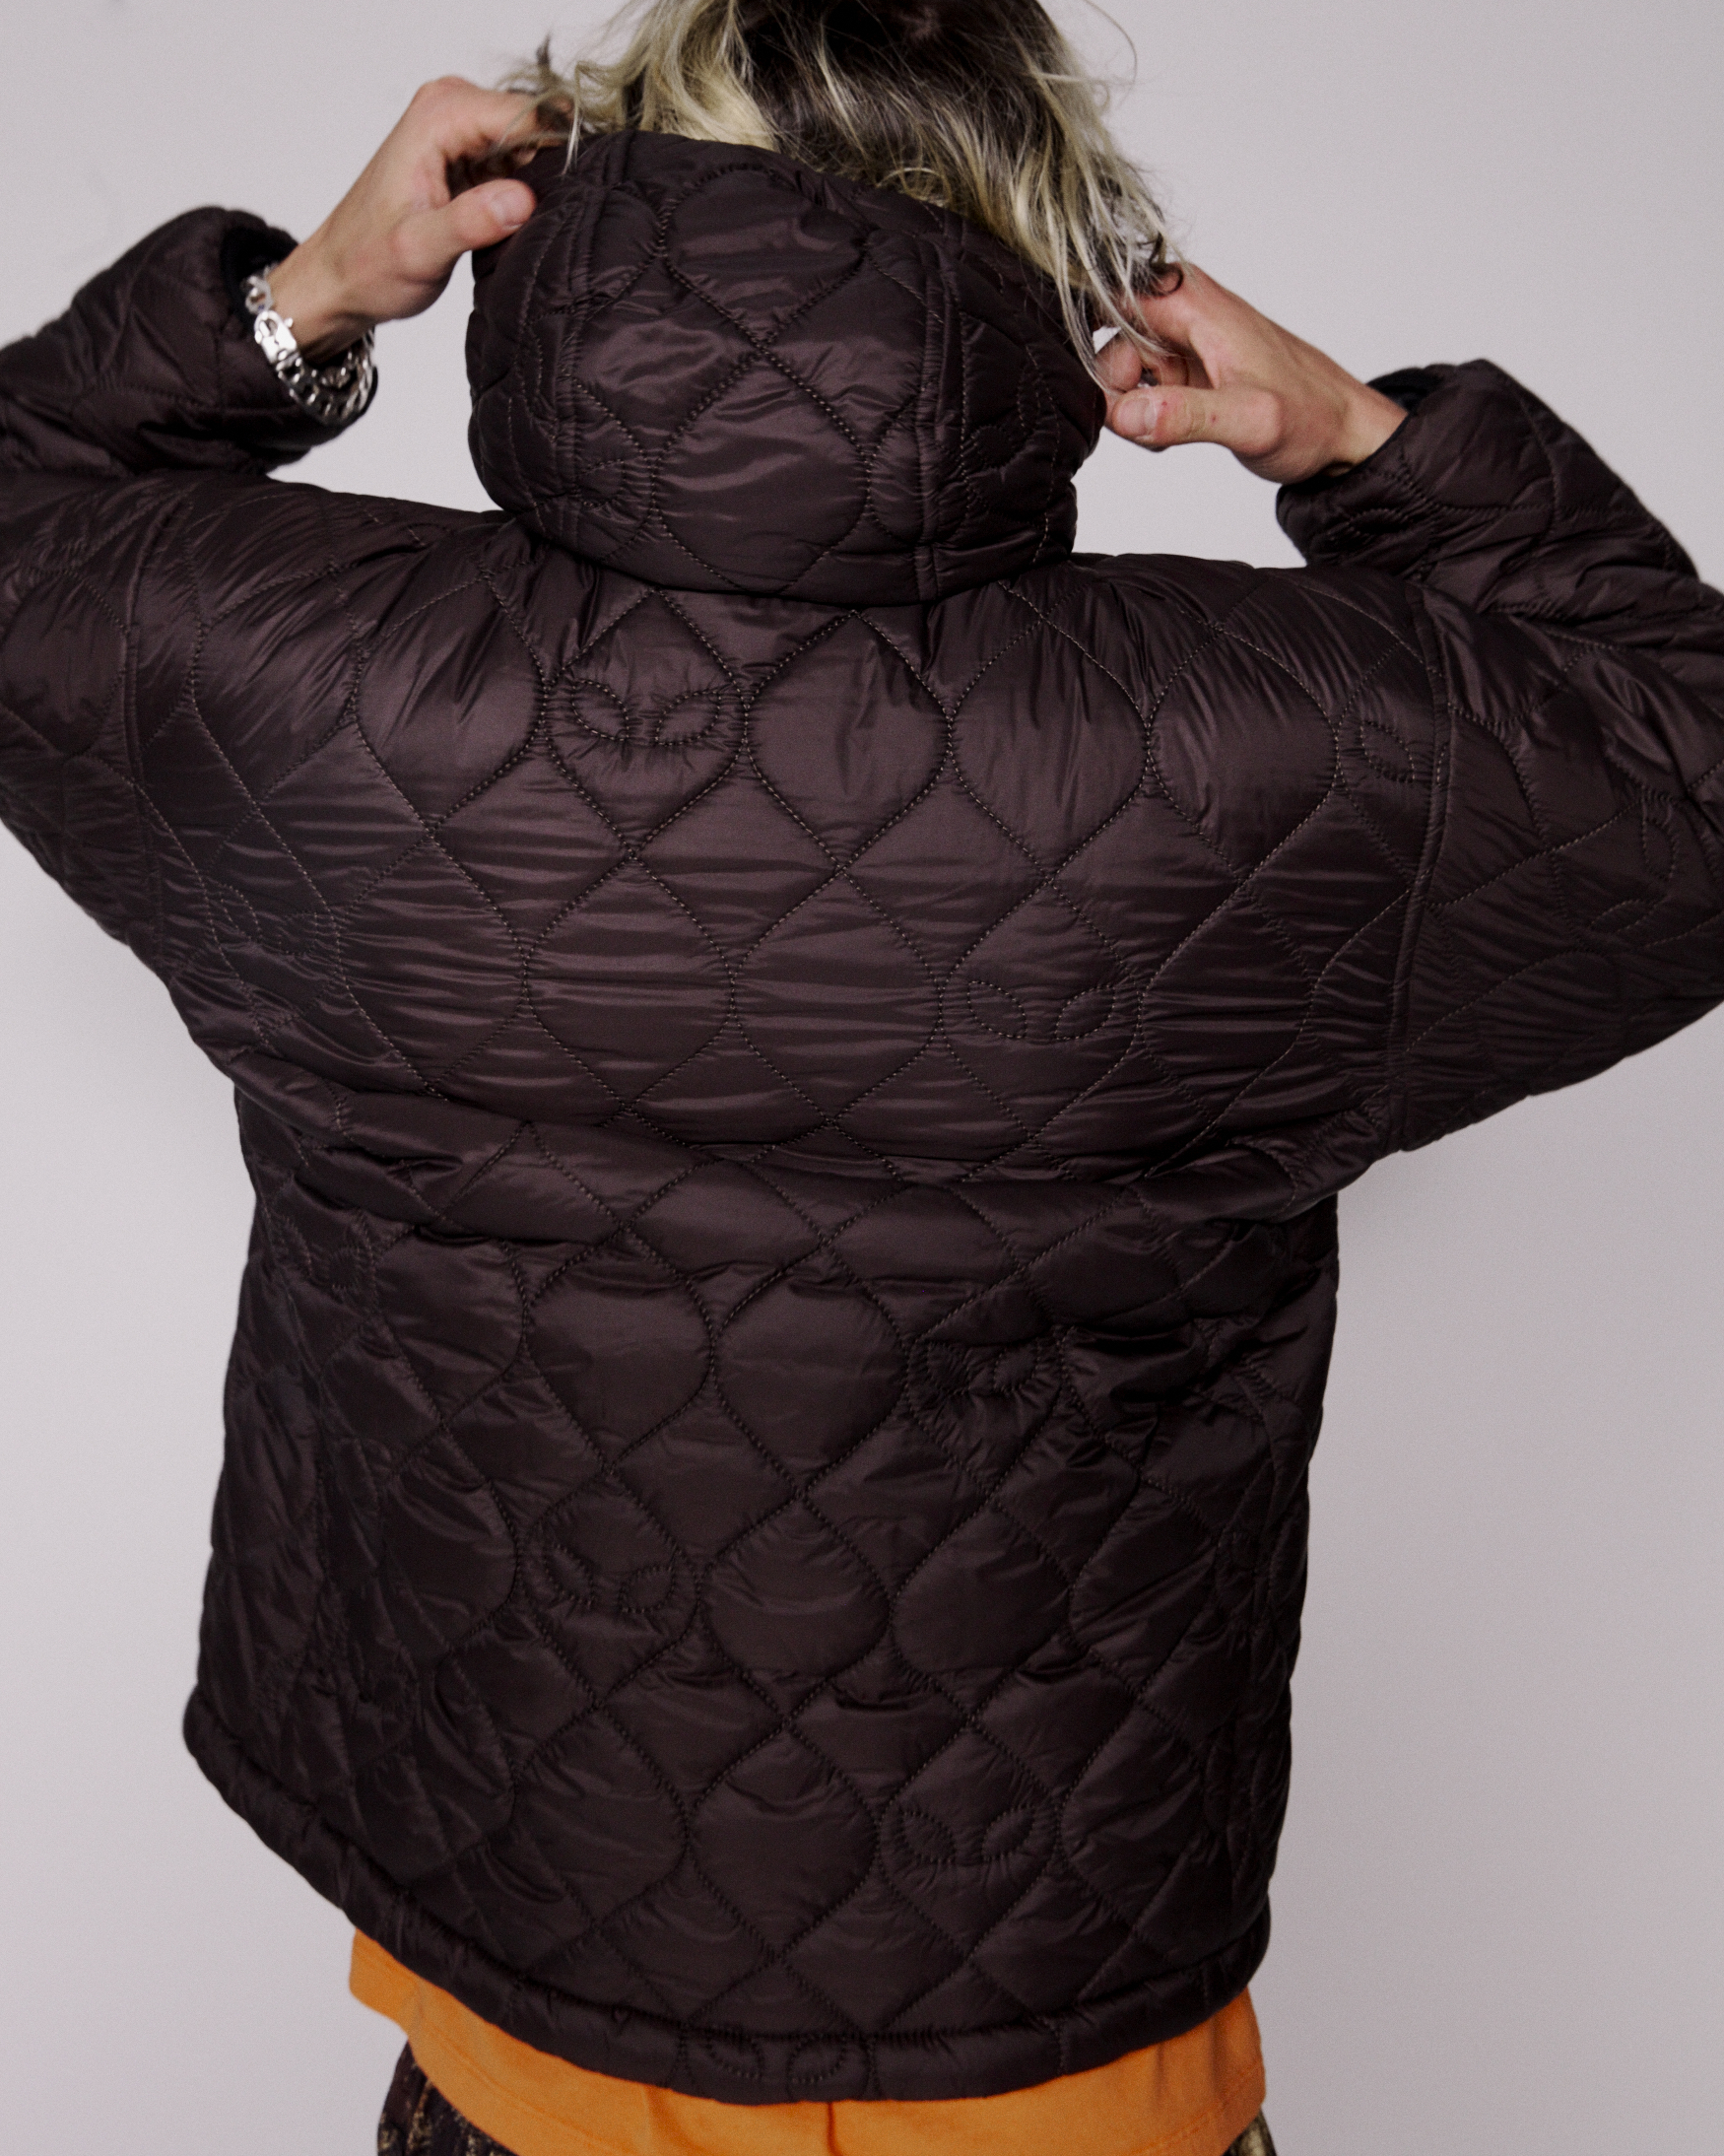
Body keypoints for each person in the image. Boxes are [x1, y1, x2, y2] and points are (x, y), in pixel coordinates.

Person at [1, 0, 1719, 2149]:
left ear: (582, 208)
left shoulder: (310, 676)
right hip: (1049, 2040)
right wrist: (1359, 448)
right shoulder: (1257, 745)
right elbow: (1688, 767)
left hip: (520, 1999)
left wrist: (299, 302)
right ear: (1043, 251)